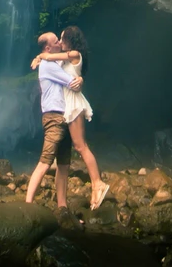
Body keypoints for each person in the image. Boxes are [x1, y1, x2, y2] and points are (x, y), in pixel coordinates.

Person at [30, 25, 110, 209]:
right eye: (58, 39)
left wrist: (41, 56)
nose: (60, 41)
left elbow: (49, 56)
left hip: (73, 104)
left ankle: (97, 183)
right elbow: (51, 59)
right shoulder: (62, 60)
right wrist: (39, 57)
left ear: (70, 40)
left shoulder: (74, 54)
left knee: (81, 146)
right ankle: (64, 204)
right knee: (67, 158)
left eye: (62, 38)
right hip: (65, 106)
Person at [24, 32, 83, 209]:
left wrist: (81, 78)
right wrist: (78, 79)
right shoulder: (49, 65)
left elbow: (70, 69)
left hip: (64, 116)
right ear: (48, 48)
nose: (59, 41)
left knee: (64, 165)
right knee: (45, 161)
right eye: (56, 40)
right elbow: (70, 81)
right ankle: (27, 206)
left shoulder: (53, 61)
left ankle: (62, 207)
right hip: (54, 117)